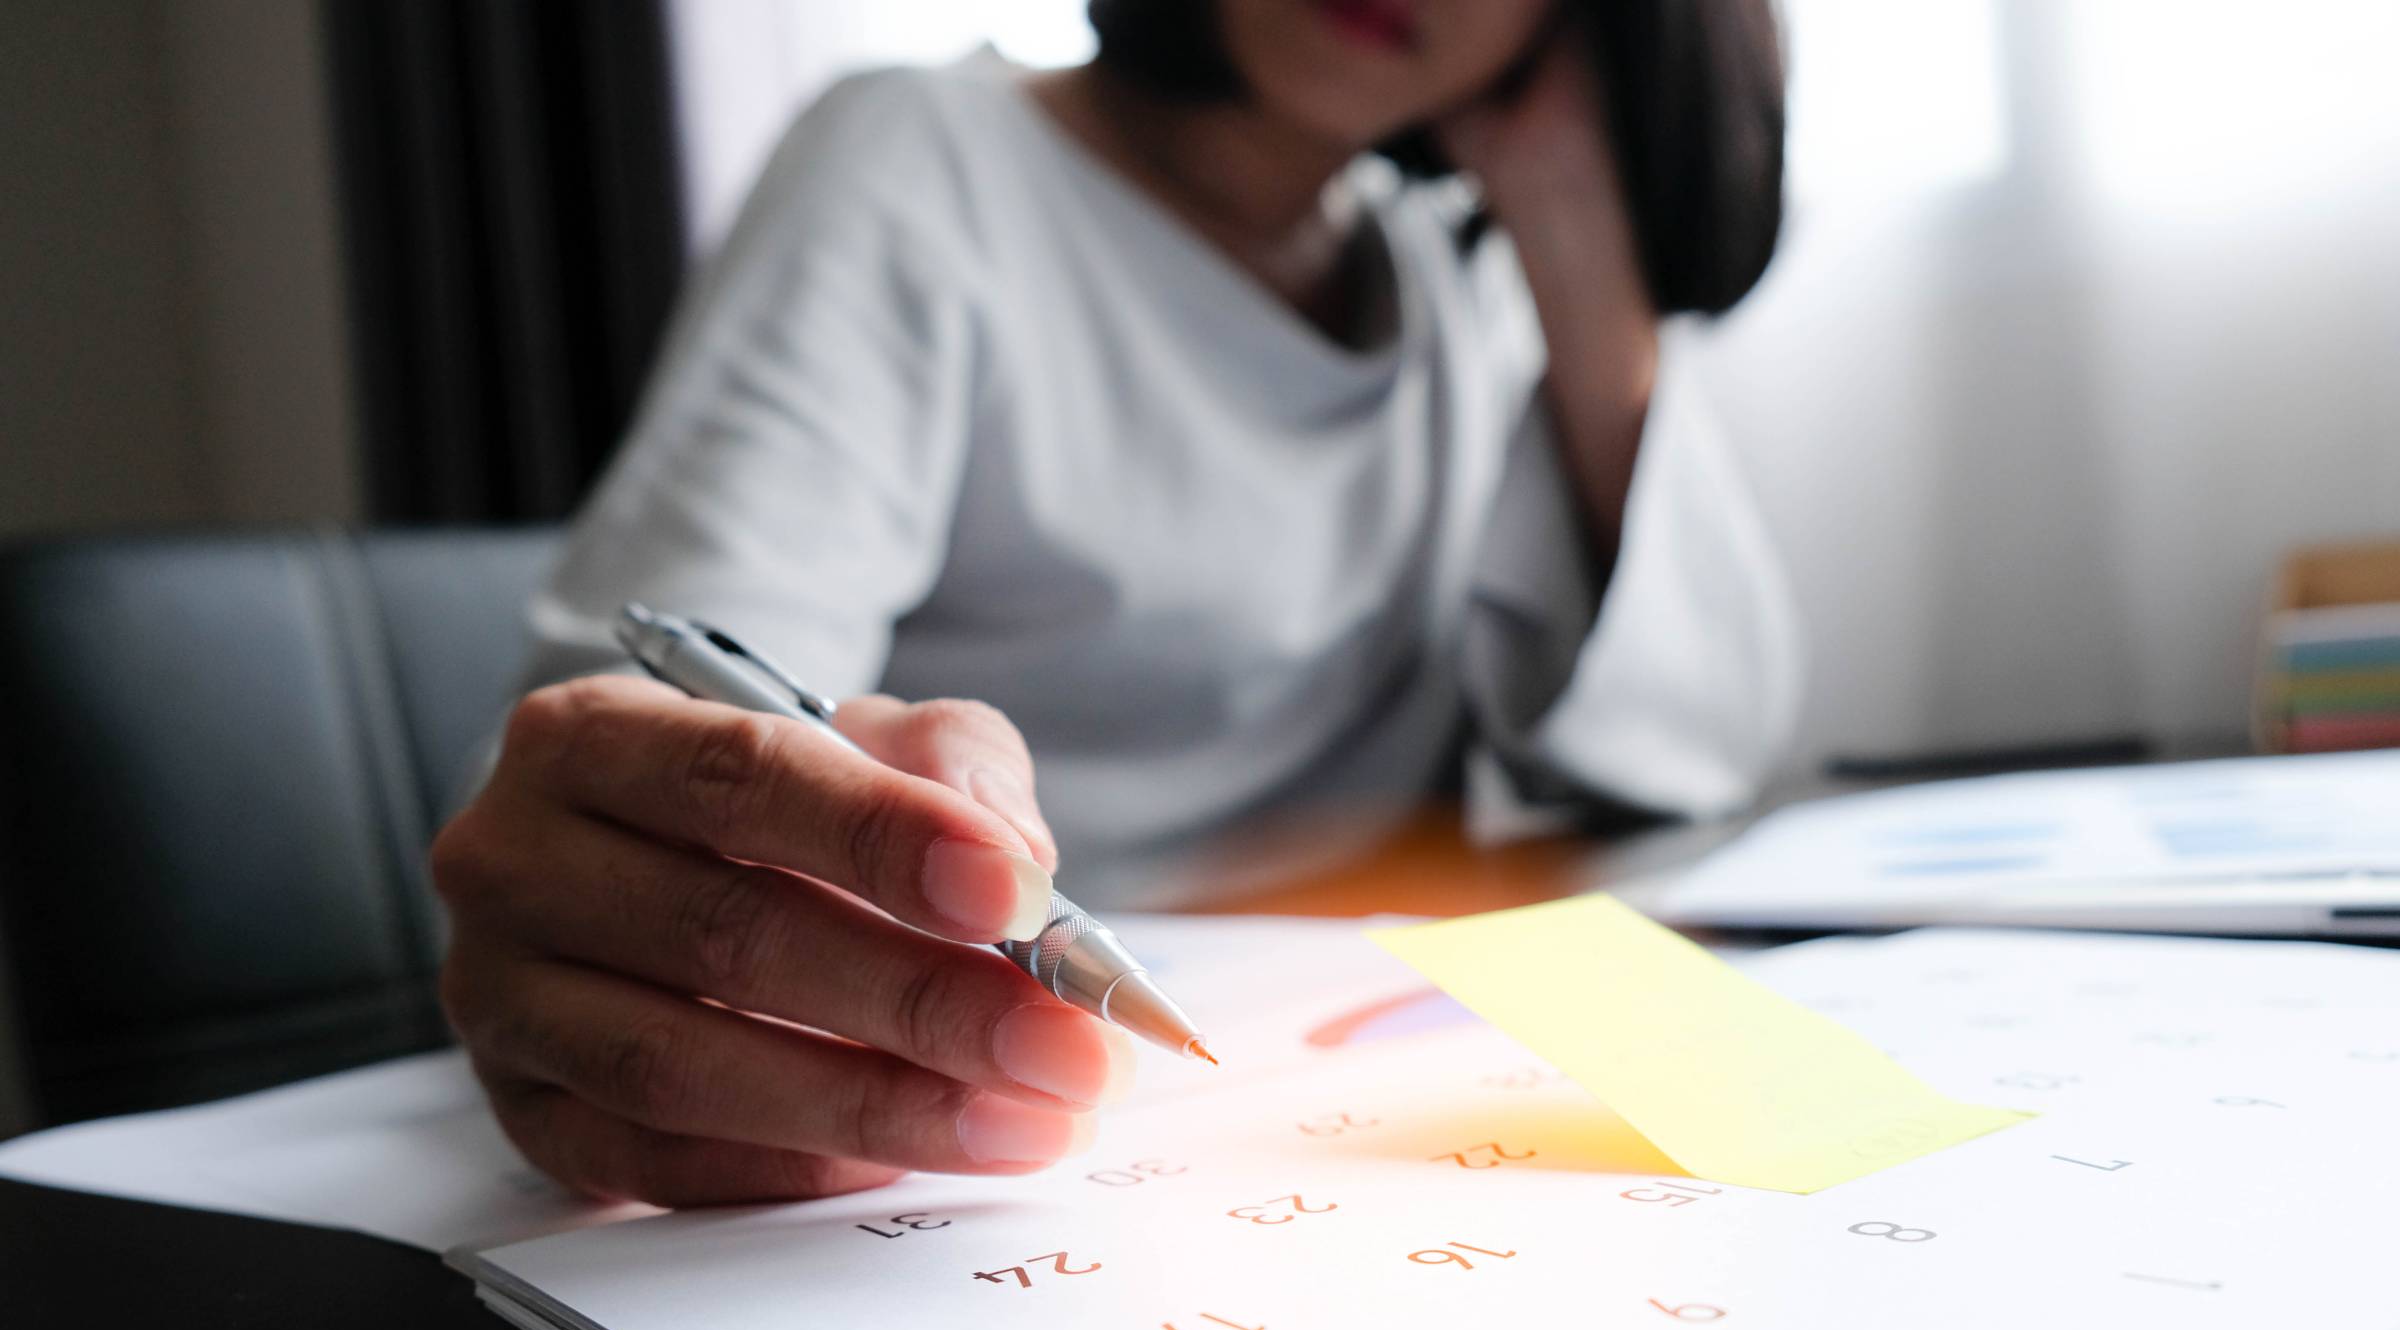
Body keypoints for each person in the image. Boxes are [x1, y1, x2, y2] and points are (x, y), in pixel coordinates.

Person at [431, 0, 1800, 1207]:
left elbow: (1700, 742)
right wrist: (618, 870)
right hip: (998, 1086)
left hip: (1341, 1073)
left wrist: (1575, 226)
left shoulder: (1450, 289)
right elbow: (645, 739)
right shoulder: (926, 160)